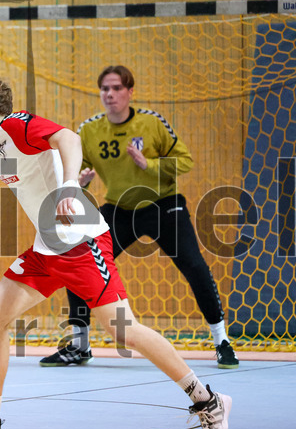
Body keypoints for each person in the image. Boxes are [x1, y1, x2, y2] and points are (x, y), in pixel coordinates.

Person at [0, 69, 232, 429]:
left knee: (124, 330)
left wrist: (70, 184)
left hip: (81, 242)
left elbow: (67, 137)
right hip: (46, 248)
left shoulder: (16, 126)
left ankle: (208, 400)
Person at [41, 65, 238, 369]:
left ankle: (222, 341)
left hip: (163, 205)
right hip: (120, 209)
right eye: (105, 88)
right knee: (77, 257)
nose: (110, 94)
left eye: (117, 88)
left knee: (194, 265)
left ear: (130, 92)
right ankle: (79, 346)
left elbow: (185, 161)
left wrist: (150, 165)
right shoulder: (90, 130)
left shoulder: (152, 123)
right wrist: (80, 180)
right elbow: (79, 167)